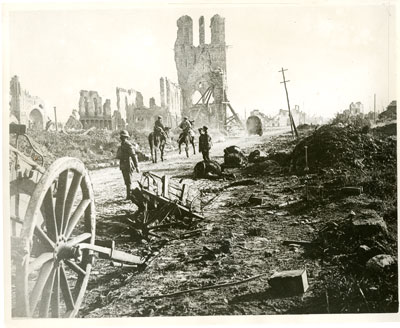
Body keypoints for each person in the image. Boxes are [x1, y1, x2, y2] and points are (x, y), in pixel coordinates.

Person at [116, 130, 140, 199]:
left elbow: (133, 155)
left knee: (128, 180)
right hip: (123, 164)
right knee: (126, 180)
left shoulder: (128, 144)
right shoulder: (122, 144)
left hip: (128, 164)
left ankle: (129, 196)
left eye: (123, 137)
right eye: (121, 137)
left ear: (126, 137)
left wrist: (137, 166)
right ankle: (128, 195)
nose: (122, 138)